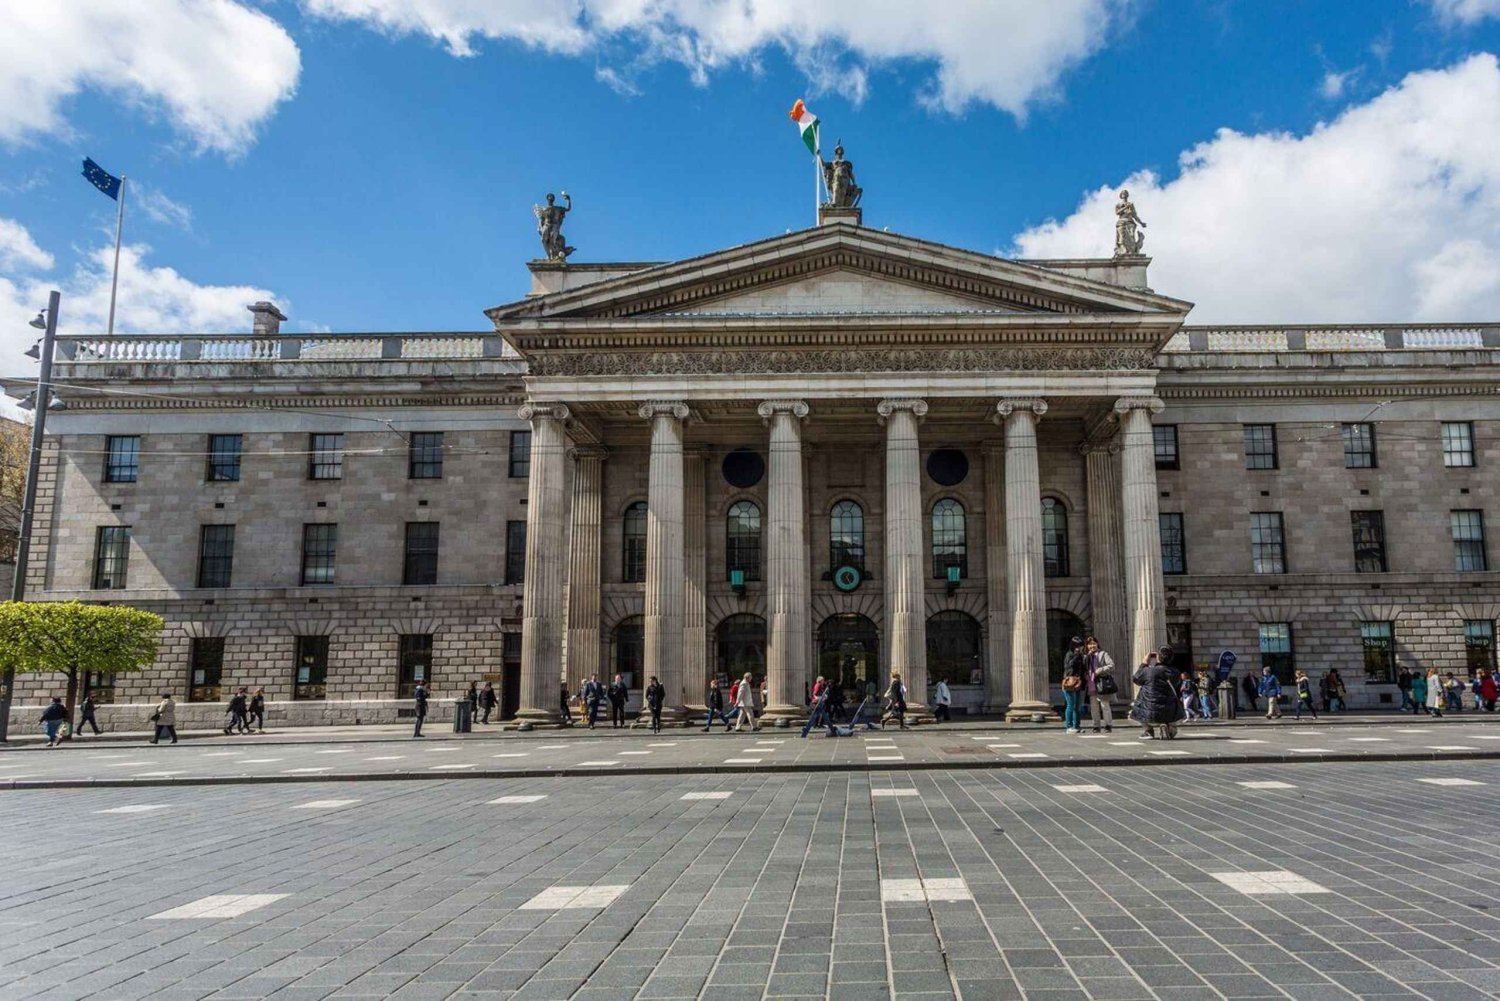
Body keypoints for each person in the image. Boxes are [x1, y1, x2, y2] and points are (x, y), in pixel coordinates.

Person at [1130, 651, 1182, 739]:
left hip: (1149, 710)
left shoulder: (1148, 671)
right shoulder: (1175, 672)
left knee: (1138, 703)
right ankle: (1169, 728)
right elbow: (1177, 684)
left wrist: (1144, 663)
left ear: (1158, 658)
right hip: (1169, 710)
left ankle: (1148, 731)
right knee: (1173, 699)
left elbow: (1136, 679)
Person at [1085, 636, 1116, 733]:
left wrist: (1101, 670)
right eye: (1090, 644)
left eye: (1094, 643)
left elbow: (1112, 665)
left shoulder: (1103, 654)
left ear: (1097, 644)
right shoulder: (1086, 656)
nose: (1092, 646)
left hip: (1101, 682)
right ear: (1087, 646)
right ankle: (1096, 725)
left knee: (1104, 705)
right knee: (1094, 707)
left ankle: (1108, 725)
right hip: (1091, 683)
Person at [1061, 637, 1086, 734]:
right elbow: (1069, 666)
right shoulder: (1069, 654)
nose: (1078, 648)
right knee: (1070, 705)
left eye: (1080, 645)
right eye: (1076, 646)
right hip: (1070, 682)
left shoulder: (1081, 656)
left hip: (1078, 682)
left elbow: (1082, 668)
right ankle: (1069, 726)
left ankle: (1077, 726)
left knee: (1077, 706)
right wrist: (1076, 655)